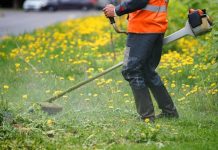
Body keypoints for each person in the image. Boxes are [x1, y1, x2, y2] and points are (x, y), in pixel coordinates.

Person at [103, 0, 179, 122]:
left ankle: (147, 117)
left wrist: (116, 10)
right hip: (154, 27)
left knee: (131, 70)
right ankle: (169, 112)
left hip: (143, 29)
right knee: (147, 71)